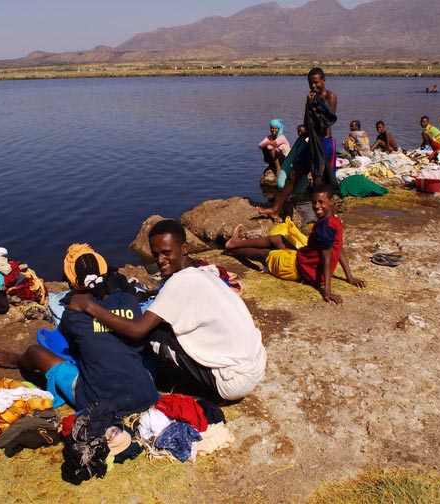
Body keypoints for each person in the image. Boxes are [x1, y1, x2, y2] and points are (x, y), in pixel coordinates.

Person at [66, 220, 266, 402]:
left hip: (233, 381)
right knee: (163, 328)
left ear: (184, 249)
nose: (160, 260)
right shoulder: (202, 274)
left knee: (152, 336)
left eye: (166, 253)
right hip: (255, 364)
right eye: (155, 255)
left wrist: (88, 306)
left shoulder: (180, 282)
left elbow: (137, 330)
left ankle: (177, 384)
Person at [0, 244, 158, 416]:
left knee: (36, 352)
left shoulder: (72, 315)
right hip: (144, 394)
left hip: (100, 401)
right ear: (105, 271)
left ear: (74, 283)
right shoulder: (128, 300)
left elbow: (69, 351)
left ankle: (18, 360)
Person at [227, 184, 366, 305]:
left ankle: (233, 251)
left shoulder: (326, 228)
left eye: (321, 202)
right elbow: (339, 249)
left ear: (331, 202)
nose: (317, 206)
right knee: (276, 239)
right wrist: (350, 278)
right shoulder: (333, 220)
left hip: (296, 267)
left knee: (265, 254)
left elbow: (327, 258)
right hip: (302, 258)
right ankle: (235, 243)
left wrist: (327, 292)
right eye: (314, 202)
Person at [259, 68, 338, 220]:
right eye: (310, 83)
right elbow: (308, 123)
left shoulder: (330, 96)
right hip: (312, 143)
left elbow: (326, 122)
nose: (313, 86)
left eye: (316, 83)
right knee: (294, 173)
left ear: (323, 81)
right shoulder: (310, 97)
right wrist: (303, 129)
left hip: (325, 144)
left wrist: (313, 106)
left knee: (322, 180)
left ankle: (328, 217)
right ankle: (276, 209)